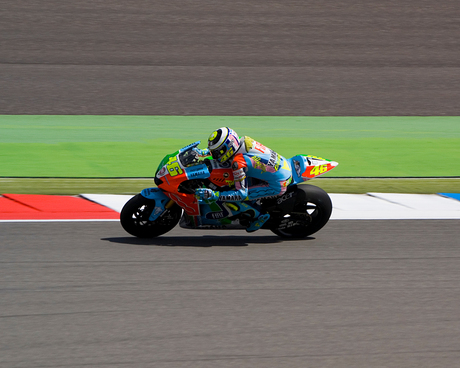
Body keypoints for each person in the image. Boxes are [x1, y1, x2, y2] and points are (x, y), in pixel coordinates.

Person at [194, 127, 292, 232]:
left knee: (237, 196)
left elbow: (241, 193)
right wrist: (203, 153)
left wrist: (214, 195)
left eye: (217, 152)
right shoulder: (241, 140)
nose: (215, 155)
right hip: (283, 166)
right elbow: (225, 149)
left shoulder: (238, 163)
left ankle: (259, 216)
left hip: (277, 184)